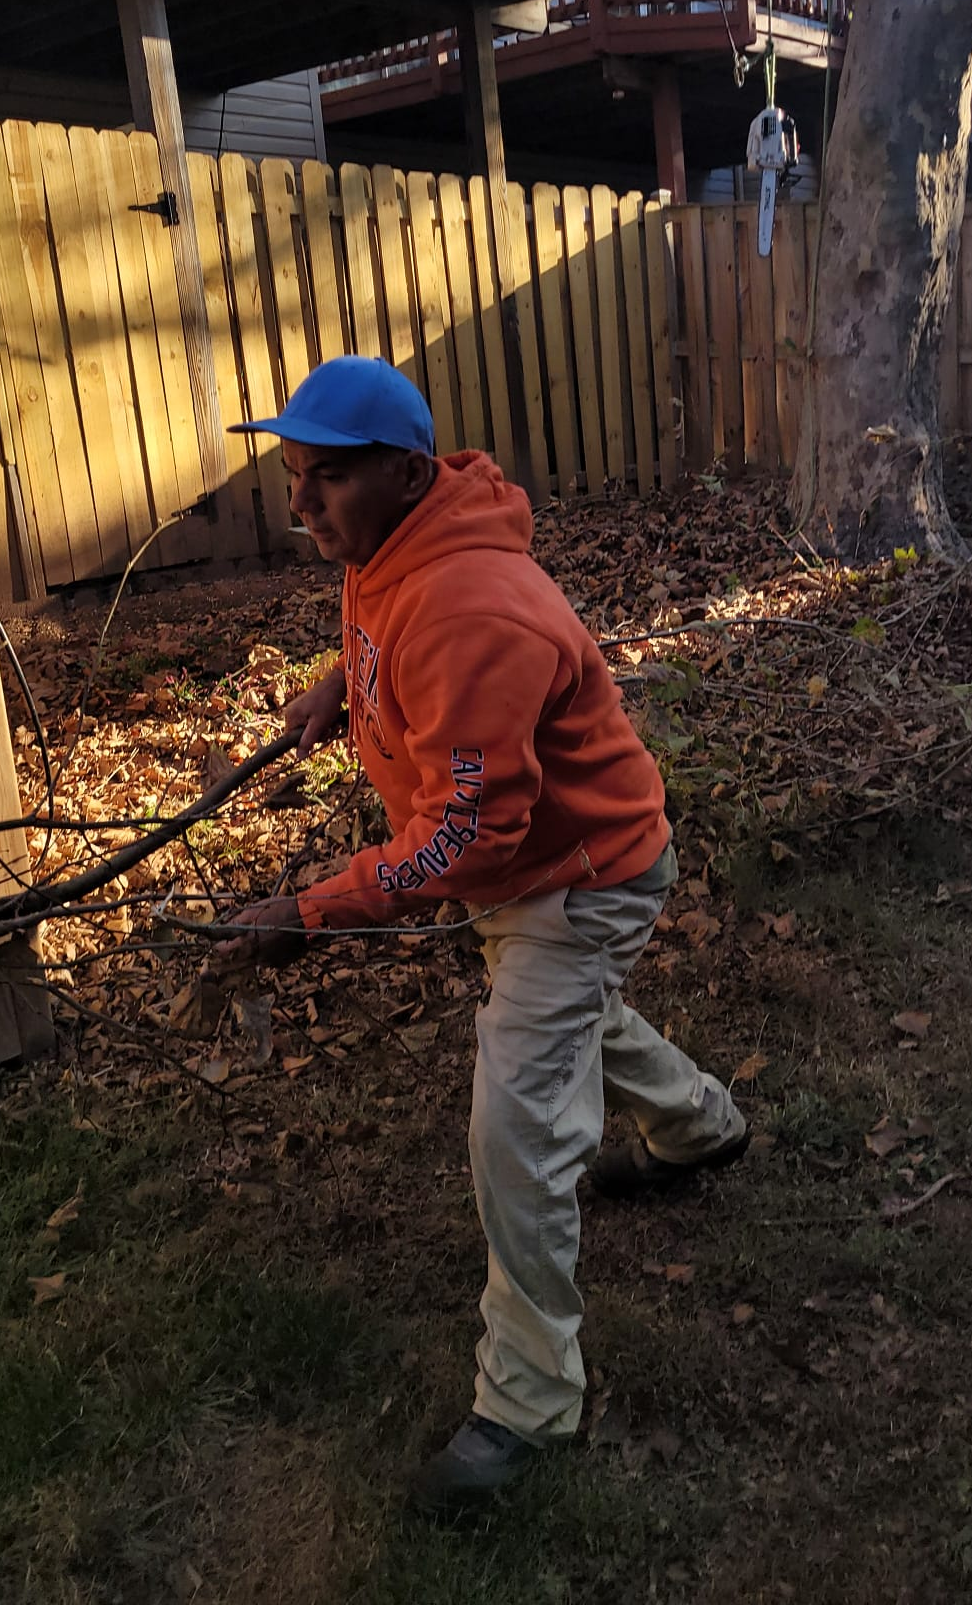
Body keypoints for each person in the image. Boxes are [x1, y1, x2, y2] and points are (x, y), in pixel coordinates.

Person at [211, 356, 749, 1517]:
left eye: (323, 482)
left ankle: (527, 1402)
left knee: (518, 1129)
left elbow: (470, 835)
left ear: (406, 473)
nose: (299, 504)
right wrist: (333, 692)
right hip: (534, 870)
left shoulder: (470, 607)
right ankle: (703, 1128)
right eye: (291, 476)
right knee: (570, 1022)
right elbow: (376, 628)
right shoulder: (392, 547)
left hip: (575, 878)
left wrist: (308, 910)